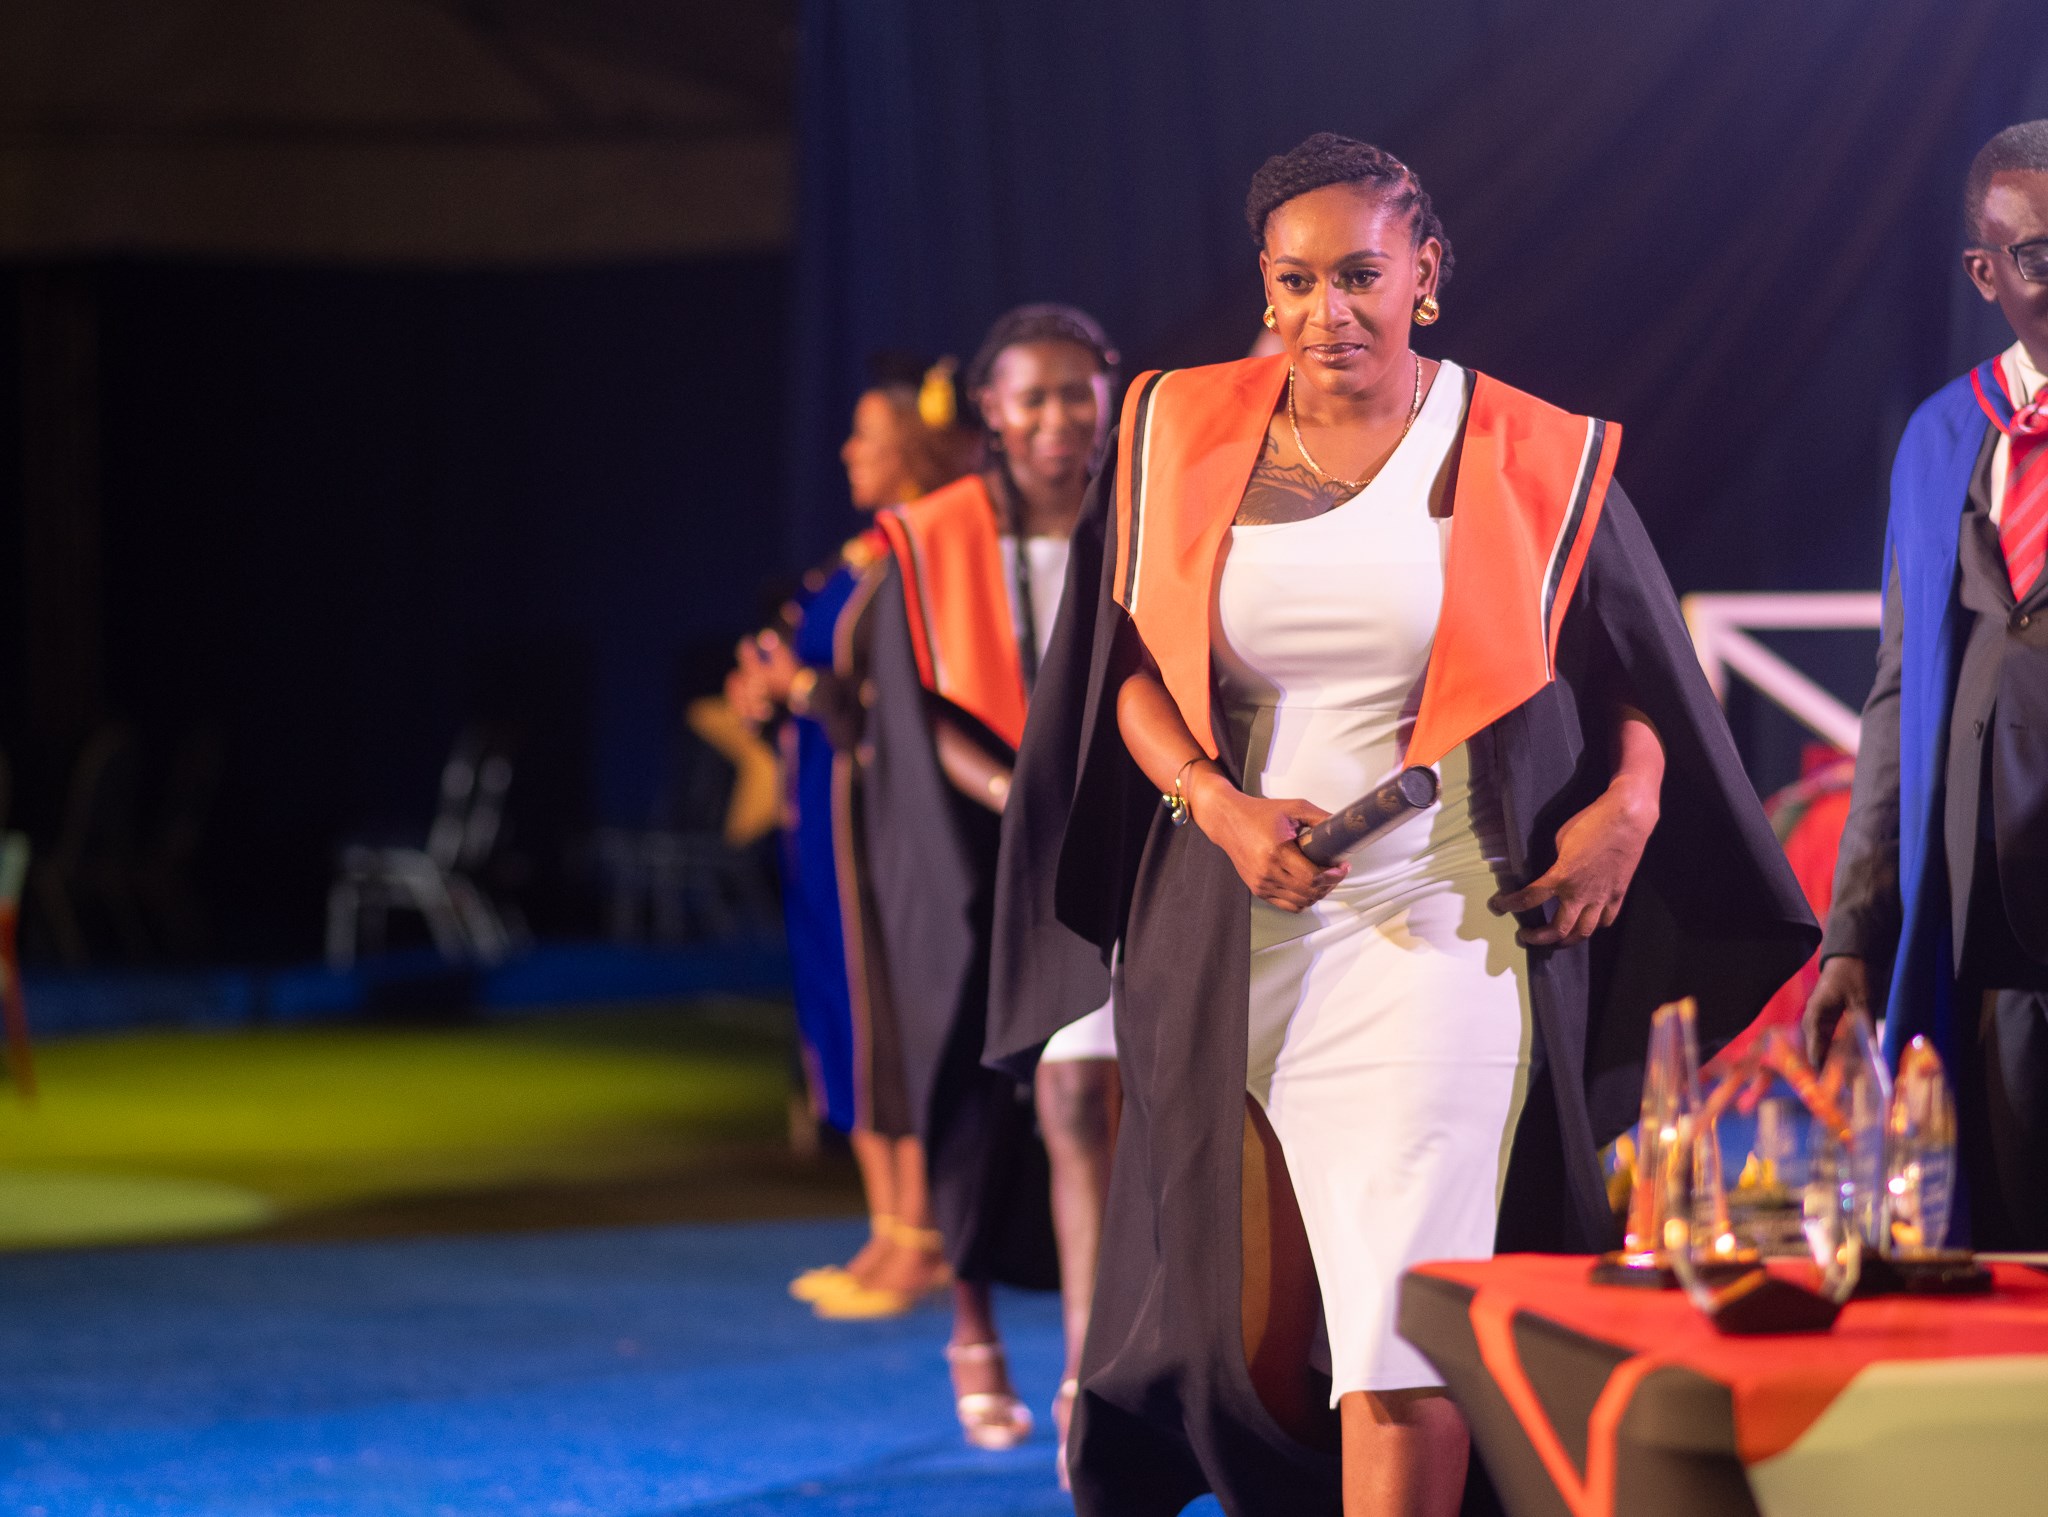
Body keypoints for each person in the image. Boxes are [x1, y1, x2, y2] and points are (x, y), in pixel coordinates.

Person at [990, 134, 1815, 1516]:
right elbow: (1119, 675)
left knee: (1398, 1322)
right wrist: (1217, 804)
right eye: (1296, 281)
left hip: (1446, 928)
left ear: (1425, 272)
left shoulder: (1527, 449)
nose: (1329, 311)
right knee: (1242, 1344)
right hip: (1227, 925)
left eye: (1362, 276)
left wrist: (1630, 805)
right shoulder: (1175, 428)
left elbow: (1639, 677)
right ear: (1264, 284)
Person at [1807, 120, 2048, 1250]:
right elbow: (1900, 692)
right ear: (1985, 273)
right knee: (1997, 1227)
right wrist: (1853, 929)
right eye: (2038, 255)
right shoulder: (1947, 434)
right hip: (1979, 906)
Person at [728, 358, 973, 1315]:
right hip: (818, 822)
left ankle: (921, 1235)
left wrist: (799, 686)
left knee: (883, 1017)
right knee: (840, 1013)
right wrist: (766, 691)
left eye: (867, 435)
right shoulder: (857, 558)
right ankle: (885, 1226)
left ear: (912, 444)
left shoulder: (927, 555)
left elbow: (901, 703)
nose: (847, 451)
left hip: (879, 826)